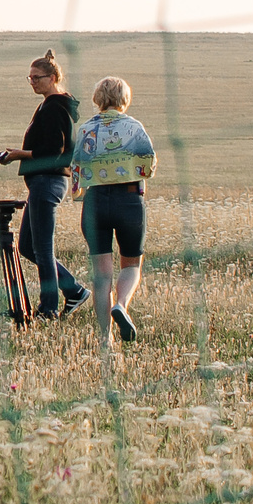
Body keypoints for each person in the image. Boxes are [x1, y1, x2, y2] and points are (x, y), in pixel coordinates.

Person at [0, 51, 88, 320]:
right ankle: (75, 291)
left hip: (48, 180)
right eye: (30, 78)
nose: (32, 82)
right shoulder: (51, 104)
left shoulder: (56, 107)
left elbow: (53, 153)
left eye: (37, 77)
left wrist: (19, 155)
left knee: (43, 249)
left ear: (53, 77)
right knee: (26, 247)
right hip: (43, 181)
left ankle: (48, 309)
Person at [72, 75, 157, 345]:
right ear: (124, 99)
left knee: (101, 274)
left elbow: (76, 170)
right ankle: (121, 304)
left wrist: (81, 195)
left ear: (98, 98)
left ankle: (104, 337)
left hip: (96, 201)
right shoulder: (134, 127)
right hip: (129, 199)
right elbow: (148, 166)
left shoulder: (87, 129)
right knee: (131, 263)